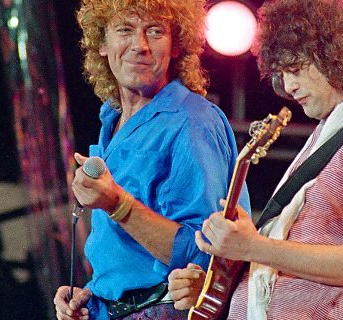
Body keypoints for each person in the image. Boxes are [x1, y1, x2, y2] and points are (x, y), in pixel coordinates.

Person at [167, 0, 343, 319]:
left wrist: (253, 247)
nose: (289, 87)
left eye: (296, 69)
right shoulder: (329, 133)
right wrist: (215, 286)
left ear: (334, 56)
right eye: (281, 74)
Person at [53, 0, 250, 319]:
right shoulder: (112, 118)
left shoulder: (192, 122)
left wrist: (117, 203)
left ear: (176, 46)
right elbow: (129, 261)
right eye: (125, 30)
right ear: (101, 43)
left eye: (155, 31)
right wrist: (93, 296)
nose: (140, 45)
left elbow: (212, 256)